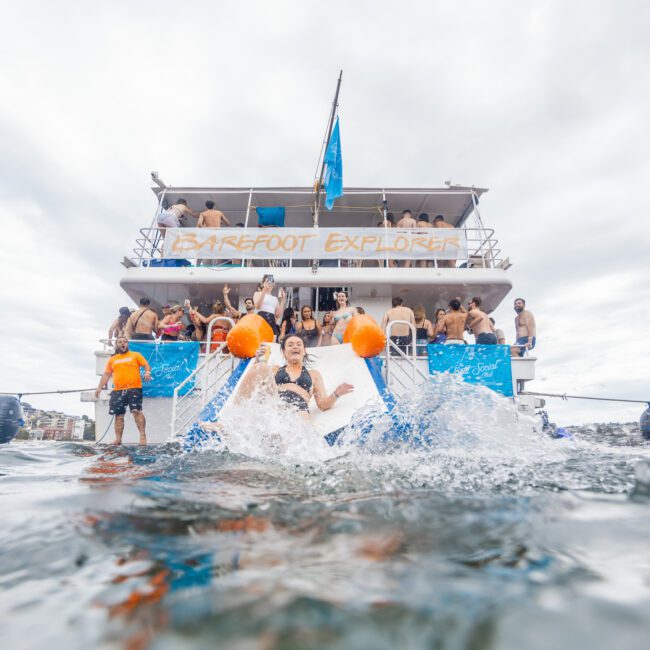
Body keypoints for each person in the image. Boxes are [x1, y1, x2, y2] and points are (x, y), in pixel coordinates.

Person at [236, 336, 353, 419]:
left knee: (297, 429)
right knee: (261, 367)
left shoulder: (313, 374)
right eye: (290, 345)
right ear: (283, 352)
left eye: (299, 345)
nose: (295, 347)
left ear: (304, 351)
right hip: (276, 403)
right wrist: (257, 360)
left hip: (299, 408)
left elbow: (322, 404)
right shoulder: (276, 369)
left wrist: (336, 394)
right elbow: (257, 385)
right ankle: (234, 414)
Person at [95, 336, 152, 445]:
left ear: (127, 344)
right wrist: (99, 388)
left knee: (136, 411)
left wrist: (147, 372)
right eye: (120, 342)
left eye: (124, 342)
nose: (122, 343)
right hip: (118, 390)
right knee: (119, 415)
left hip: (134, 388)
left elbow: (146, 365)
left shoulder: (135, 355)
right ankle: (118, 439)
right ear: (117, 345)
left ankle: (142, 436)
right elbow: (107, 374)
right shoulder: (113, 359)